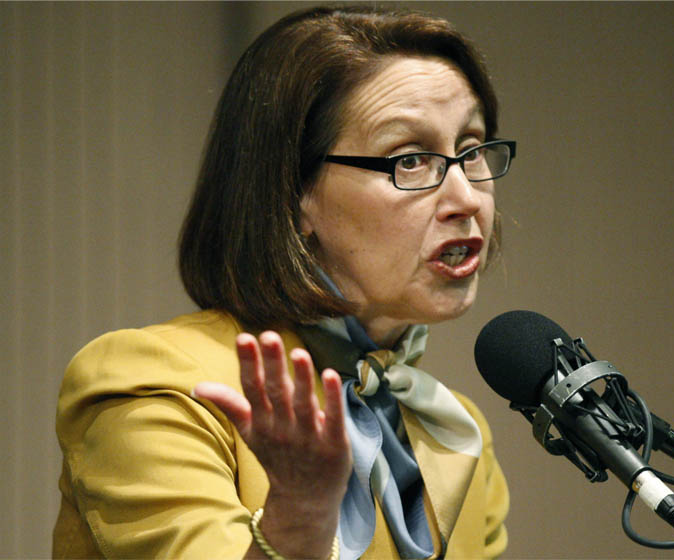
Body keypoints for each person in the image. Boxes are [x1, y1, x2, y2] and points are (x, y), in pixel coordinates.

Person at [53, 6, 514, 559]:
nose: (467, 198)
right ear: (294, 196)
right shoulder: (159, 385)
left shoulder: (455, 433)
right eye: (409, 160)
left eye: (471, 149)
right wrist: (299, 518)